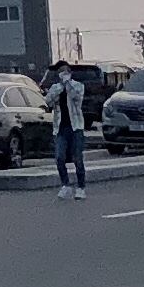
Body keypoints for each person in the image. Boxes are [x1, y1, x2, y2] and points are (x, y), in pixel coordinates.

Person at [46, 60, 94, 196]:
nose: (62, 74)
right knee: (60, 157)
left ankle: (81, 187)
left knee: (77, 157)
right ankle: (65, 184)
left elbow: (76, 98)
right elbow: (48, 101)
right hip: (60, 128)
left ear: (70, 72)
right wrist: (60, 88)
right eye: (60, 72)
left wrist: (67, 84)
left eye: (65, 71)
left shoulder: (78, 86)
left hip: (76, 127)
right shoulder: (55, 88)